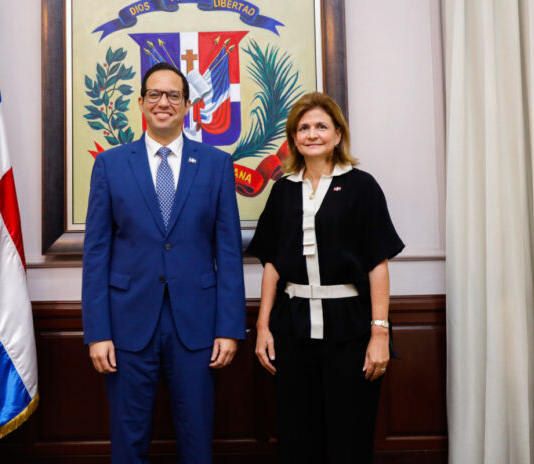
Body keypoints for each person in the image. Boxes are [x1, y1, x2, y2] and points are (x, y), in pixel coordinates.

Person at [81, 62, 246, 464]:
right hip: (126, 324)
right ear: (140, 103)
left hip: (198, 324)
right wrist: (97, 333)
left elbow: (227, 252)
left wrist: (229, 327)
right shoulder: (111, 164)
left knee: (196, 438)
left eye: (173, 95)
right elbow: (96, 253)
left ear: (188, 105)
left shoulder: (215, 163)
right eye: (154, 94)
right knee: (128, 438)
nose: (163, 102)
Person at [247, 92, 404, 463]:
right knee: (298, 438)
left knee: (349, 438)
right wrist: (263, 326)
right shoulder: (283, 190)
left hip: (350, 330)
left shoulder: (362, 186)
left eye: (321, 126)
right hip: (292, 330)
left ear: (337, 135)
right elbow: (272, 263)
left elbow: (377, 263)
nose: (312, 134)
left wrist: (379, 332)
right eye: (303, 127)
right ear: (293, 138)